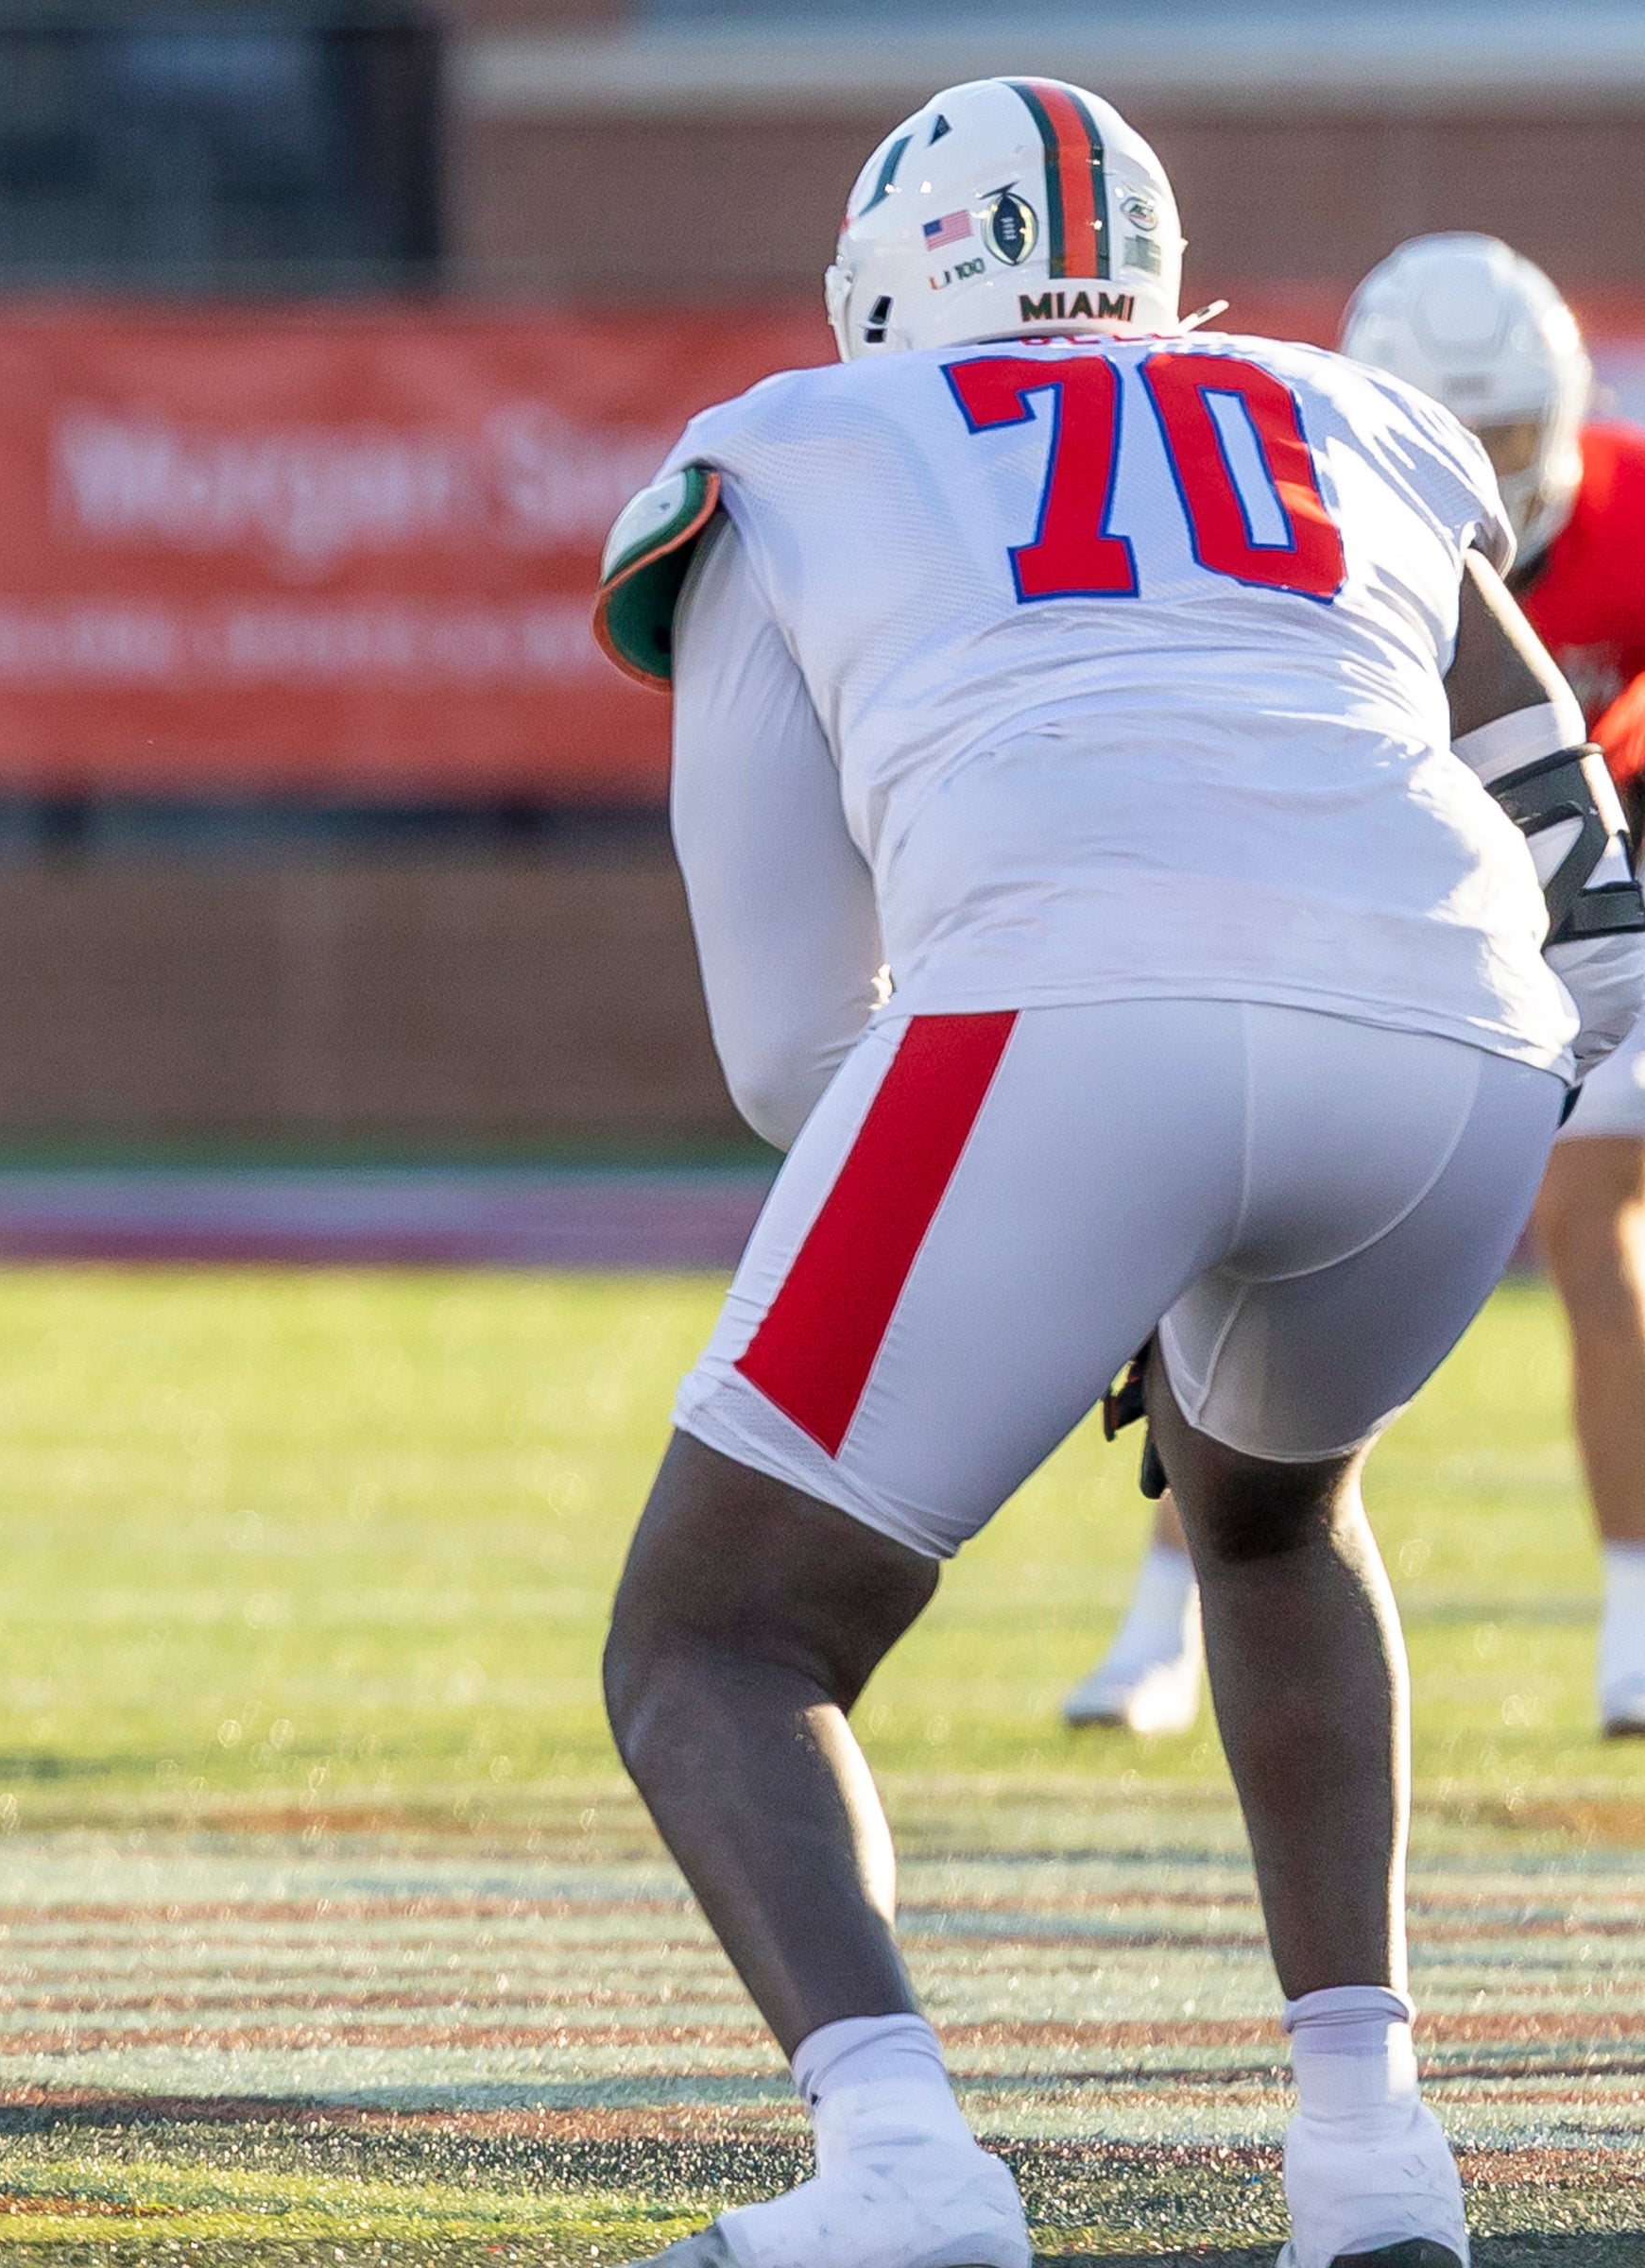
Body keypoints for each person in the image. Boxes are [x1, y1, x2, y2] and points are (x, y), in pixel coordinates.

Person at [590, 77, 1643, 2268]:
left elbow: (792, 1037)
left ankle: (897, 2161)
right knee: (1273, 1514)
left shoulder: (786, 449)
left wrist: (1067, 1227)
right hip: (1454, 1035)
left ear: (890, 289)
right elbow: (1557, 801)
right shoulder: (1331, 409)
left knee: (716, 1634)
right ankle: (1370, 2152)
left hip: (1071, 1015)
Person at [1070, 232, 1645, 1741]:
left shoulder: (1633, 519)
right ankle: (1160, 1626)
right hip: (1404, 921)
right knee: (1264, 1253)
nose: (1496, 473)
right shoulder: (1303, 523)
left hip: (1608, 916)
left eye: (1518, 437)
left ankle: (1636, 1616)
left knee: (1592, 1225)